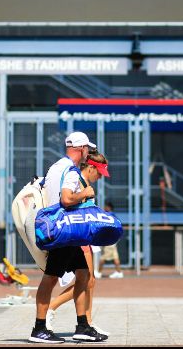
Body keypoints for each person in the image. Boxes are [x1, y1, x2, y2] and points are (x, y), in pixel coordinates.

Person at [29, 131, 107, 344]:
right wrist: (85, 193)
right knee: (51, 278)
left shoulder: (55, 167)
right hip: (64, 231)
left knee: (83, 274)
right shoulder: (71, 171)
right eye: (87, 150)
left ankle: (83, 326)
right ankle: (39, 328)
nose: (88, 154)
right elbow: (66, 198)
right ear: (81, 149)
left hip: (64, 231)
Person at [46, 151, 112, 337]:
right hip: (75, 237)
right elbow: (66, 201)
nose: (100, 178)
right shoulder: (75, 178)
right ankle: (51, 308)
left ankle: (87, 323)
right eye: (98, 173)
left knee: (89, 280)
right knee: (85, 280)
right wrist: (84, 193)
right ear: (91, 167)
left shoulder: (86, 183)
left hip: (84, 237)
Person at [97, 201, 123, 279]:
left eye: (106, 206)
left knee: (103, 257)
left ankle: (98, 272)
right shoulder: (114, 215)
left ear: (109, 207)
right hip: (113, 238)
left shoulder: (108, 215)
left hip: (109, 239)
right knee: (115, 257)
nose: (104, 208)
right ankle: (119, 272)